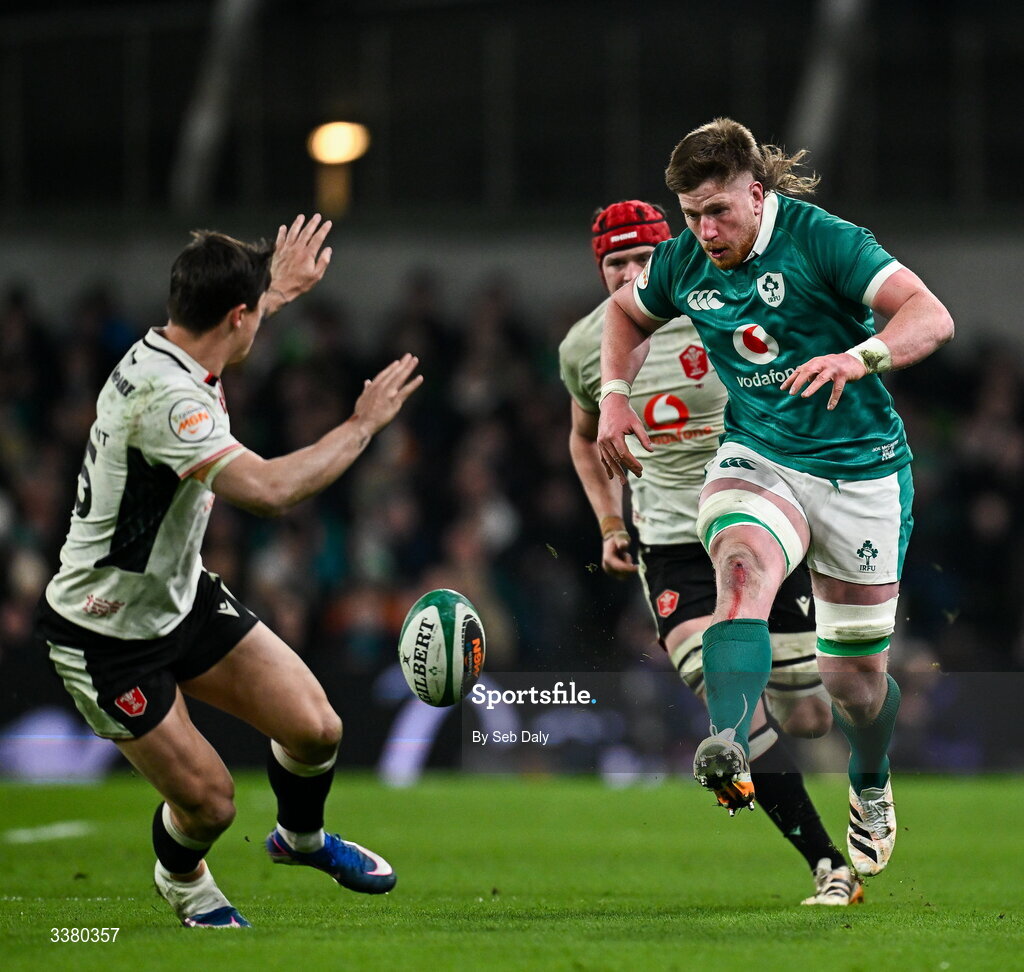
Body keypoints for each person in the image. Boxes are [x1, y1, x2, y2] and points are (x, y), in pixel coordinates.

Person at [34, 214, 423, 928]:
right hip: (106, 635)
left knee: (316, 730)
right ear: (235, 315)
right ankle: (181, 880)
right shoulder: (170, 401)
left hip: (178, 601)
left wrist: (276, 290)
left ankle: (299, 839)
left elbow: (229, 328)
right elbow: (271, 492)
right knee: (210, 803)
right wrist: (363, 424)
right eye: (255, 312)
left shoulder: (175, 350)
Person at [597, 120, 954, 881]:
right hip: (760, 452)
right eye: (692, 214)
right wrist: (615, 398)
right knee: (742, 564)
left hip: (861, 469)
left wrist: (858, 358)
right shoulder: (684, 259)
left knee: (852, 684)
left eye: (720, 211)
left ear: (757, 194)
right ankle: (726, 736)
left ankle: (871, 774)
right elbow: (627, 313)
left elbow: (931, 316)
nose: (706, 230)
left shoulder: (825, 240)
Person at [560, 200, 861, 906]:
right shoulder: (586, 345)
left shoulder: (727, 306)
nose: (632, 275)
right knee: (724, 699)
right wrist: (610, 522)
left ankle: (809, 749)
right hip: (670, 541)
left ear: (672, 253)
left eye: (642, 260)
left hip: (759, 519)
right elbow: (582, 436)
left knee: (809, 716)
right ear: (599, 269)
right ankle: (826, 863)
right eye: (616, 264)